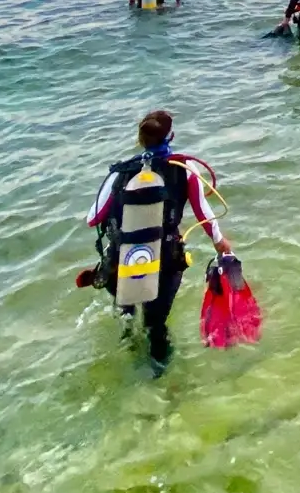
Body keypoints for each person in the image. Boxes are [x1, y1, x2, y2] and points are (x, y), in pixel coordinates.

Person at [84, 108, 229, 370]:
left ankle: (128, 346)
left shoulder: (120, 172)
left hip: (121, 262)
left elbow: (92, 219)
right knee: (156, 326)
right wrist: (221, 243)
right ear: (171, 136)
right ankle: (160, 386)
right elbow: (204, 214)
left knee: (126, 314)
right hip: (164, 262)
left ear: (140, 140)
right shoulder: (185, 168)